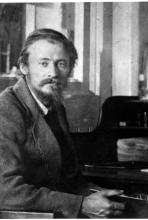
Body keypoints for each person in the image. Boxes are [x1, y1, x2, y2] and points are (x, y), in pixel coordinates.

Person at [0, 28, 125, 218]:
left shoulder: (56, 107)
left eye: (61, 64)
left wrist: (96, 196)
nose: (53, 73)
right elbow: (5, 192)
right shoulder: (6, 109)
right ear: (24, 67)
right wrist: (81, 204)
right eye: (43, 63)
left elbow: (68, 179)